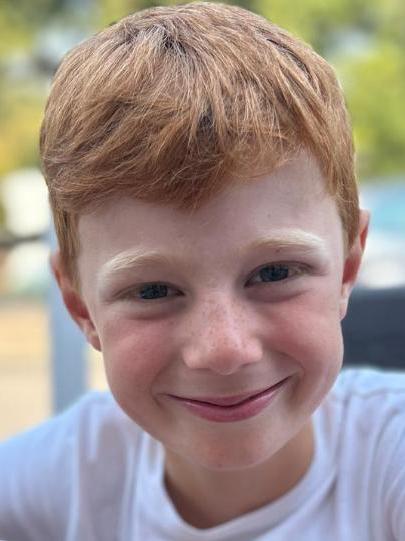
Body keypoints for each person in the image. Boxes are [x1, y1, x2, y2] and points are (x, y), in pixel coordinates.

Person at [1, 3, 404, 540]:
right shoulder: (64, 477)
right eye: (152, 290)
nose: (224, 350)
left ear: (349, 268)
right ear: (80, 306)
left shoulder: (389, 457)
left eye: (275, 273)